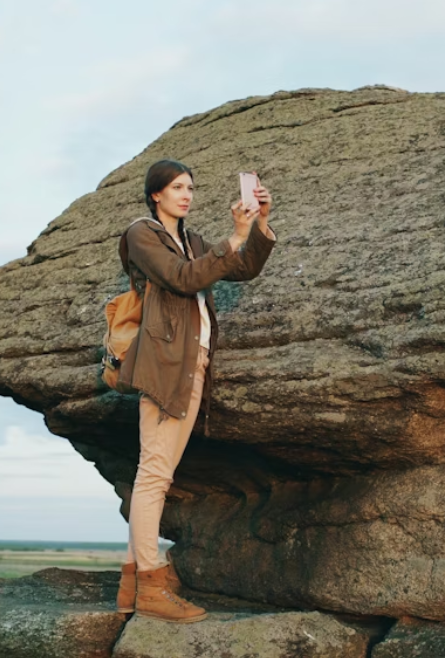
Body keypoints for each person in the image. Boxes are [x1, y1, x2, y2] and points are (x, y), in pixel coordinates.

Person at [115, 159, 277, 622]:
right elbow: (184, 278)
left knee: (156, 473)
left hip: (194, 362)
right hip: (166, 365)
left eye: (190, 187)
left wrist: (258, 224)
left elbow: (243, 268)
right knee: (155, 474)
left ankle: (132, 584)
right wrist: (233, 237)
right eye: (177, 187)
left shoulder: (193, 241)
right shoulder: (142, 234)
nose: (186, 195)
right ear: (156, 194)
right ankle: (151, 584)